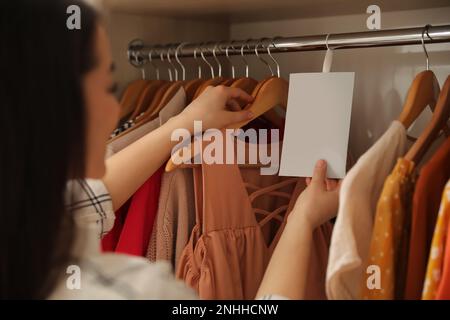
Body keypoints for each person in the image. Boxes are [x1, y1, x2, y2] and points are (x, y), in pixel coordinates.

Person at [0, 0, 340, 299]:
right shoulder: (134, 291)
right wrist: (303, 220)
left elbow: (81, 203)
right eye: (107, 86)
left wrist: (183, 124)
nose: (113, 106)